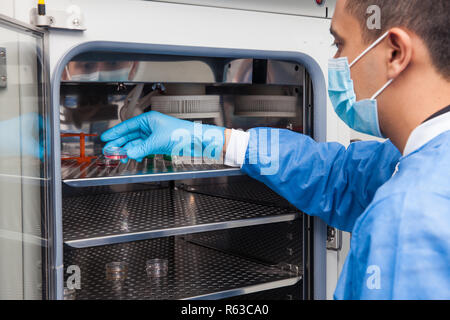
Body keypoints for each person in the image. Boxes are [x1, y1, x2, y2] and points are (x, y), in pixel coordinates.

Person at [101, 0, 450, 299]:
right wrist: (208, 139)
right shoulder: (421, 162)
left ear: (395, 52)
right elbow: (339, 177)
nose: (337, 62)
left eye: (339, 46)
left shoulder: (409, 218)